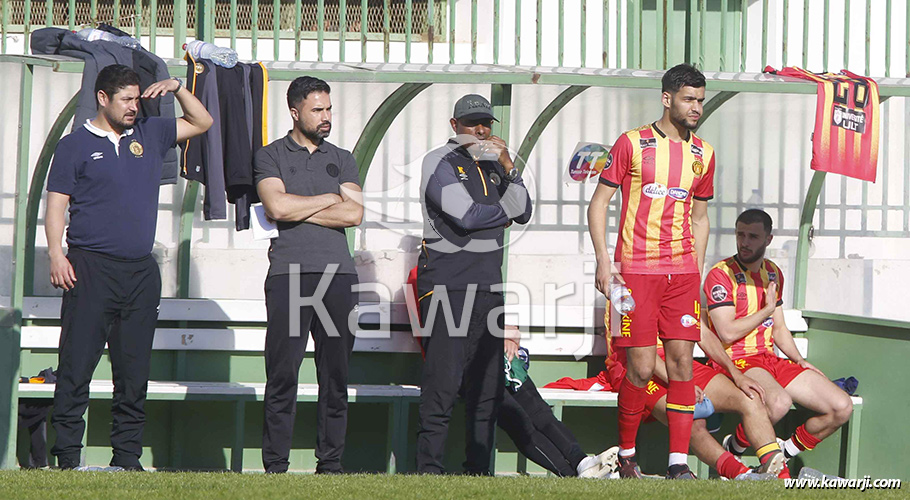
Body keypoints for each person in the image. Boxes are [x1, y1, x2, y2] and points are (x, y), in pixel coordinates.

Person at [46, 64, 212, 470]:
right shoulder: (74, 146)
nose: (134, 107)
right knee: (76, 366)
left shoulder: (150, 134)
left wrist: (176, 87)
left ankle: (127, 457)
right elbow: (56, 206)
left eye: (136, 98)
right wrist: (55, 254)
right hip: (90, 267)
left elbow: (201, 121)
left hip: (140, 272)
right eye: (126, 99)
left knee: (133, 370)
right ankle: (67, 457)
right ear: (102, 98)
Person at [587, 63, 715, 479]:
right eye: (688, 99)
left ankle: (678, 463)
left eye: (700, 99)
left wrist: (696, 273)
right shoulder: (632, 143)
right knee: (640, 368)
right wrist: (606, 263)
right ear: (667, 98)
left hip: (681, 277)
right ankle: (626, 455)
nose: (696, 107)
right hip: (633, 275)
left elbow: (700, 217)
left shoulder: (704, 154)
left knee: (682, 365)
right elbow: (599, 204)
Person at [415, 94, 532, 475]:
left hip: (488, 288)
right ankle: (429, 471)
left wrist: (509, 168)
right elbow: (465, 215)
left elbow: (525, 210)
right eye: (471, 123)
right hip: (447, 286)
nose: (480, 130)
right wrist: (504, 213)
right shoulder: (440, 161)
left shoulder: (495, 167)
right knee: (442, 386)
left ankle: (478, 471)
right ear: (454, 126)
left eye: (486, 123)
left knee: (487, 389)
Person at [254, 76, 364, 474]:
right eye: (317, 110)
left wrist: (296, 206)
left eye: (329, 109)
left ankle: (330, 464)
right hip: (290, 274)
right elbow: (277, 208)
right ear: (295, 111)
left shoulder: (343, 157)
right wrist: (328, 198)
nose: (326, 117)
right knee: (283, 373)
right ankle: (275, 466)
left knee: (335, 376)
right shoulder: (269, 156)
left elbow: (354, 213)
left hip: (339, 278)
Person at [704, 209, 854, 478]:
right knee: (778, 402)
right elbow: (726, 333)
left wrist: (799, 360)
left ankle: (783, 454)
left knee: (841, 407)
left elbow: (780, 327)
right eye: (740, 234)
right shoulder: (720, 274)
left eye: (753, 236)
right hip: (737, 360)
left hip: (769, 359)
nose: (744, 242)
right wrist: (766, 309)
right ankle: (736, 450)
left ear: (768, 239)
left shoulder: (772, 272)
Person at [604, 312, 785, 480]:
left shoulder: (679, 283)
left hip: (677, 363)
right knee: (687, 416)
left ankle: (780, 475)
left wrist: (736, 374)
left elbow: (702, 333)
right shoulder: (630, 284)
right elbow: (641, 352)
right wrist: (682, 384)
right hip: (634, 367)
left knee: (748, 396)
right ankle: (742, 475)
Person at [499, 329, 618, 478]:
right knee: (520, 425)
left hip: (502, 359)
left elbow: (508, 328)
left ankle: (582, 462)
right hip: (472, 367)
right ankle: (572, 475)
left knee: (540, 412)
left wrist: (510, 338)